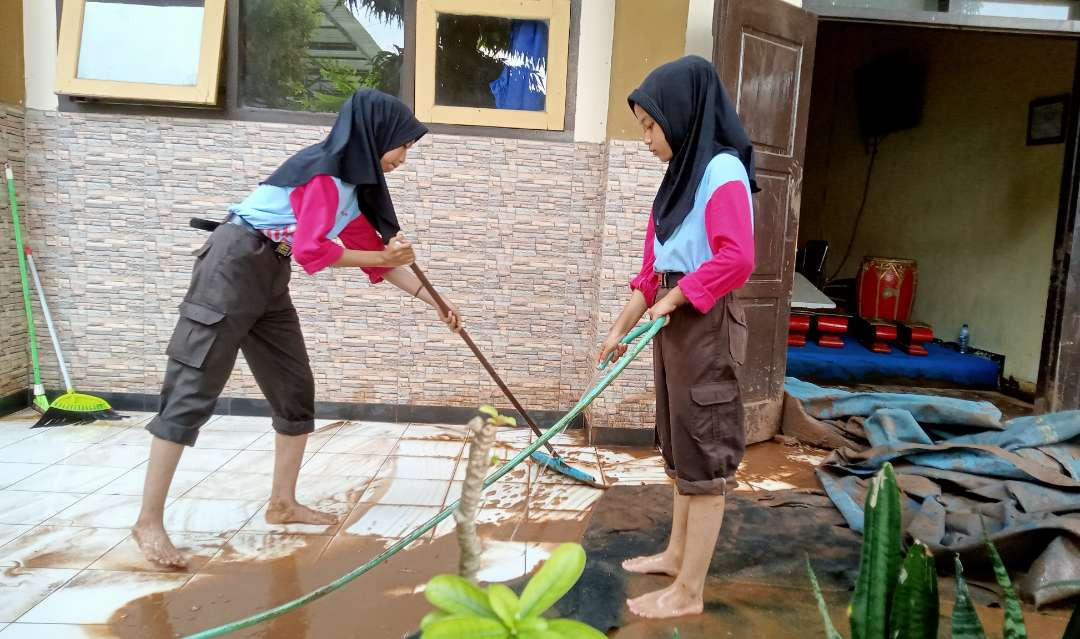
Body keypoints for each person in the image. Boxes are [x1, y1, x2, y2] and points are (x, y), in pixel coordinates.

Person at [133, 89, 461, 567]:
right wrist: (381, 256)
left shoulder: (353, 189)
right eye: (403, 145)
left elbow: (378, 263)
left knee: (293, 387)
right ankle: (147, 521)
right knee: (193, 387)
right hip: (233, 265)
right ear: (376, 137)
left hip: (270, 274)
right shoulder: (324, 176)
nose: (404, 158)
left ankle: (282, 504)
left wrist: (437, 302)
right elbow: (314, 251)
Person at [597, 56, 758, 619]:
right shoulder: (676, 184)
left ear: (682, 114)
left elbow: (737, 257)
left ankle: (690, 592)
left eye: (649, 124)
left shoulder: (721, 170)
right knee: (680, 442)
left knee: (705, 454)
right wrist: (619, 326)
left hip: (702, 324)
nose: (645, 138)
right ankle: (675, 554)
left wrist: (673, 299)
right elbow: (652, 271)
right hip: (675, 319)